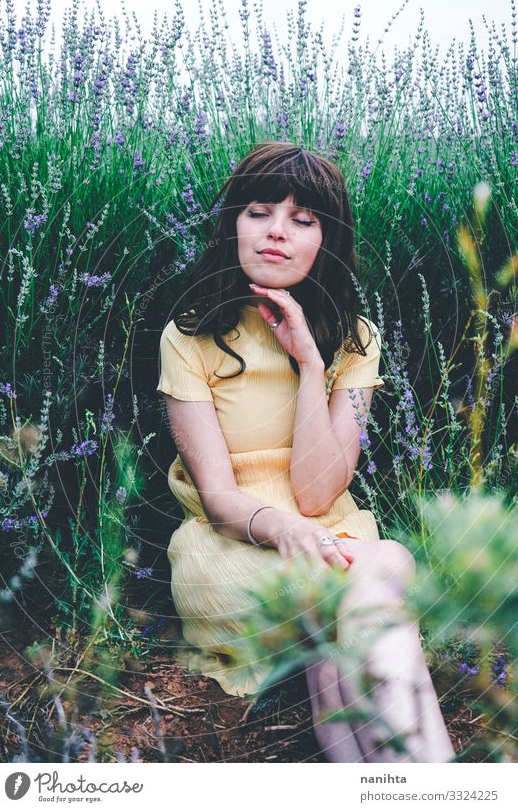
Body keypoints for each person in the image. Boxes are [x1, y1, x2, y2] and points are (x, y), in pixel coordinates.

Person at [156, 141, 454, 763]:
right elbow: (216, 499)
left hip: (331, 536)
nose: (276, 233)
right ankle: (440, 781)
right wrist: (285, 528)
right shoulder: (191, 336)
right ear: (233, 223)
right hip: (237, 546)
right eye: (259, 211)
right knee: (384, 569)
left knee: (344, 651)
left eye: (303, 220)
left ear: (325, 241)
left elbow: (320, 492)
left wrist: (311, 364)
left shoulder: (354, 338)